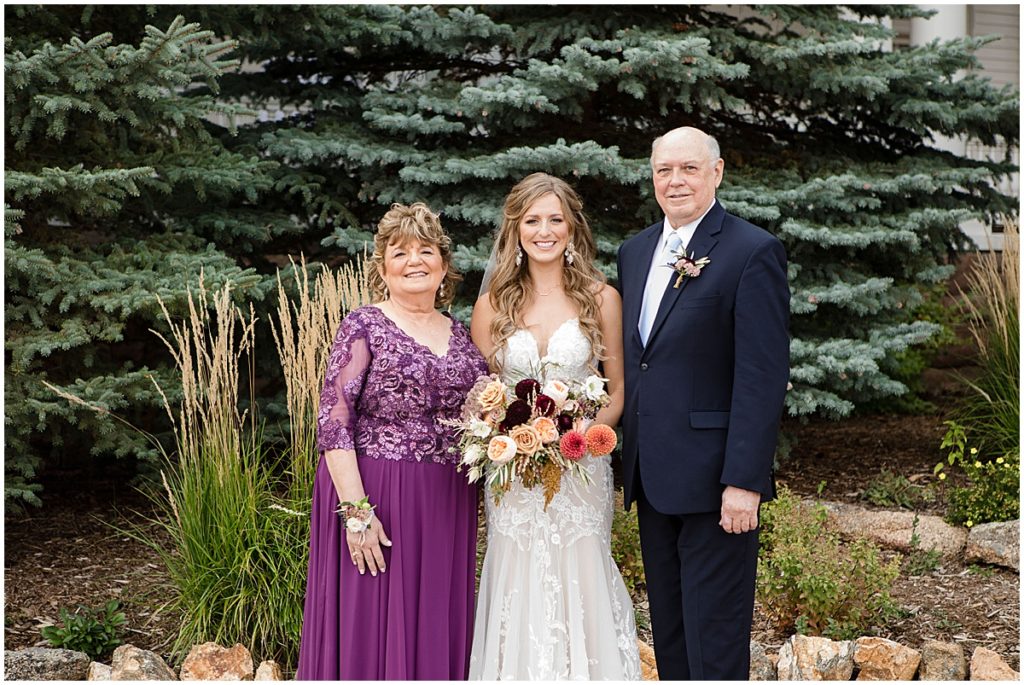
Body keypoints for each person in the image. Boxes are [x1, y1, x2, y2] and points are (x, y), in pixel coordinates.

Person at [616, 126, 790, 680]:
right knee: (670, 636)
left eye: (689, 168)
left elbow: (762, 377)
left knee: (714, 642)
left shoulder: (751, 251)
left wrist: (745, 481)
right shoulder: (635, 252)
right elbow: (640, 361)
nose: (675, 180)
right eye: (664, 170)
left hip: (717, 484)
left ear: (716, 173)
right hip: (652, 478)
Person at [296, 202, 489, 680]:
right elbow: (334, 420)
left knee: (433, 612)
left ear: (444, 265)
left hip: (446, 496)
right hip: (375, 490)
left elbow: (473, 411)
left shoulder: (461, 334)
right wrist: (357, 513)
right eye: (400, 252)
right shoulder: (364, 325)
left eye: (426, 250)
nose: (415, 261)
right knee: (372, 612)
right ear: (382, 266)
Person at [468, 172, 640, 680]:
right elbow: (483, 396)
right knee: (518, 574)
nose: (544, 231)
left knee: (581, 570)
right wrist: (502, 440)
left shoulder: (600, 298)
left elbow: (618, 389)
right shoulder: (491, 307)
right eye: (532, 221)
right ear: (516, 230)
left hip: (582, 471)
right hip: (514, 479)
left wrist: (582, 441)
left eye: (555, 220)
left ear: (572, 228)